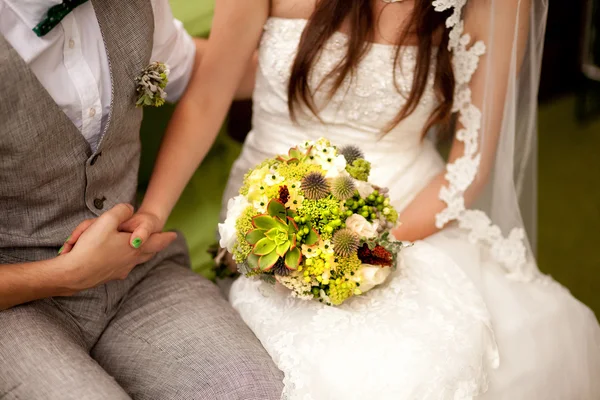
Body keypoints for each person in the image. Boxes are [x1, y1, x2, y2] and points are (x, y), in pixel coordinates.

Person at [73, 0, 600, 398]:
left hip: (409, 219)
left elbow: (470, 167)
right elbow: (209, 96)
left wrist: (357, 248)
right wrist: (154, 211)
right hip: (267, 218)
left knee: (426, 361)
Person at [0, 1, 282, 399]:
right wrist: (63, 275)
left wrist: (308, 66)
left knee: (252, 390)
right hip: (12, 305)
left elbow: (198, 73)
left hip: (137, 270)